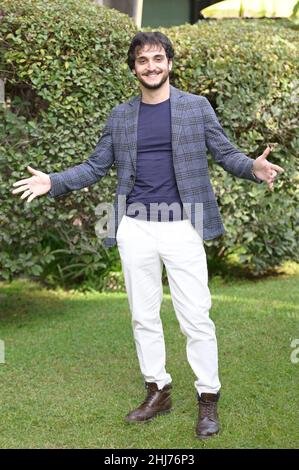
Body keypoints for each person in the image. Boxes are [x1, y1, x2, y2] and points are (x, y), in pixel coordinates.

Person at [11, 32, 284, 439]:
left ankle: (208, 398)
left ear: (169, 63)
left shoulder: (196, 108)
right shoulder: (121, 116)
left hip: (183, 224)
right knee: (143, 315)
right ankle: (158, 389)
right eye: (143, 60)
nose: (151, 66)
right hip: (134, 227)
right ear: (134, 68)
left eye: (158, 58)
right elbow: (94, 166)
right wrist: (54, 181)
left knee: (195, 317)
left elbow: (224, 153)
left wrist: (253, 167)